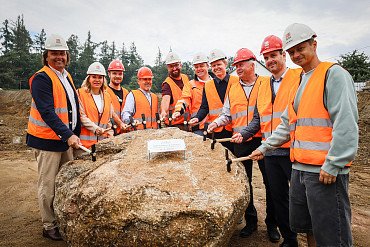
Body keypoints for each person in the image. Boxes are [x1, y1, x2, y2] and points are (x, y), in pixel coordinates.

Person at [249, 23, 358, 247]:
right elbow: (288, 124)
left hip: (323, 172)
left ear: (314, 45)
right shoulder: (302, 81)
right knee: (308, 227)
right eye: (292, 51)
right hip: (299, 167)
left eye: (301, 49)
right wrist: (264, 147)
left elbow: (346, 124)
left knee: (332, 234)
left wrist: (334, 163)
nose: (296, 55)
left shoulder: (333, 74)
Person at [231, 36, 302, 246]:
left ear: (283, 55)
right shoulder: (263, 85)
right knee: (277, 196)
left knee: (297, 199)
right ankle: (289, 239)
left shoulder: (298, 78)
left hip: (293, 150)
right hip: (270, 151)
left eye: (273, 55)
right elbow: (256, 119)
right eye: (267, 57)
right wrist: (244, 134)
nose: (270, 60)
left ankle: (292, 232)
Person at [207, 48, 279, 242]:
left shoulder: (266, 83)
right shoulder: (233, 88)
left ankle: (272, 224)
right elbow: (227, 114)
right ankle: (251, 221)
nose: (237, 68)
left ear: (252, 64)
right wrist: (217, 122)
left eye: (241, 64)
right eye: (236, 65)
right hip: (240, 140)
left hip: (264, 139)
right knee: (244, 183)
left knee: (270, 183)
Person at [26, 34, 81, 241]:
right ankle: (48, 225)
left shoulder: (66, 76)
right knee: (48, 185)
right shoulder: (41, 78)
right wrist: (68, 135)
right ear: (46, 56)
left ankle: (60, 217)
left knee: (65, 181)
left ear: (67, 55)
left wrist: (75, 132)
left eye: (62, 53)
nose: (59, 57)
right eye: (54, 53)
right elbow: (47, 112)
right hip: (47, 141)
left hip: (65, 138)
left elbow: (72, 107)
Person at [188, 49, 236, 152]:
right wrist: (197, 118)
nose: (216, 68)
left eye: (219, 64)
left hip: (234, 128)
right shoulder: (208, 85)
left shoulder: (236, 82)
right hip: (216, 129)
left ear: (225, 64)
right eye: (213, 66)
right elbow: (204, 107)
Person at [78, 62, 123, 148]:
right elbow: (82, 117)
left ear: (103, 79)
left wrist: (110, 137)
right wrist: (96, 129)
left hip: (102, 145)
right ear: (89, 78)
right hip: (84, 145)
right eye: (94, 77)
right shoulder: (80, 93)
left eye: (100, 77)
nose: (97, 80)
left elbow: (109, 120)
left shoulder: (107, 96)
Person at [172, 52, 214, 135]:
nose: (199, 69)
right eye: (196, 67)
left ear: (208, 66)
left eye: (201, 66)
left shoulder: (217, 82)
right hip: (199, 127)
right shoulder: (190, 85)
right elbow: (184, 99)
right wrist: (178, 111)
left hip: (218, 127)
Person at [160, 51, 190, 129]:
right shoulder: (167, 84)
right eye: (171, 66)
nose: (174, 68)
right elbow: (165, 99)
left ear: (180, 64)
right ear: (167, 68)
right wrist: (163, 111)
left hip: (187, 122)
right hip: (174, 124)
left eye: (176, 65)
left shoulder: (185, 78)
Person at [106, 59, 129, 135]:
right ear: (109, 74)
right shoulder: (104, 91)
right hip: (110, 133)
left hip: (125, 132)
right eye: (114, 73)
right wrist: (120, 123)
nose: (117, 76)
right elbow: (110, 111)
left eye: (120, 74)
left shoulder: (126, 93)